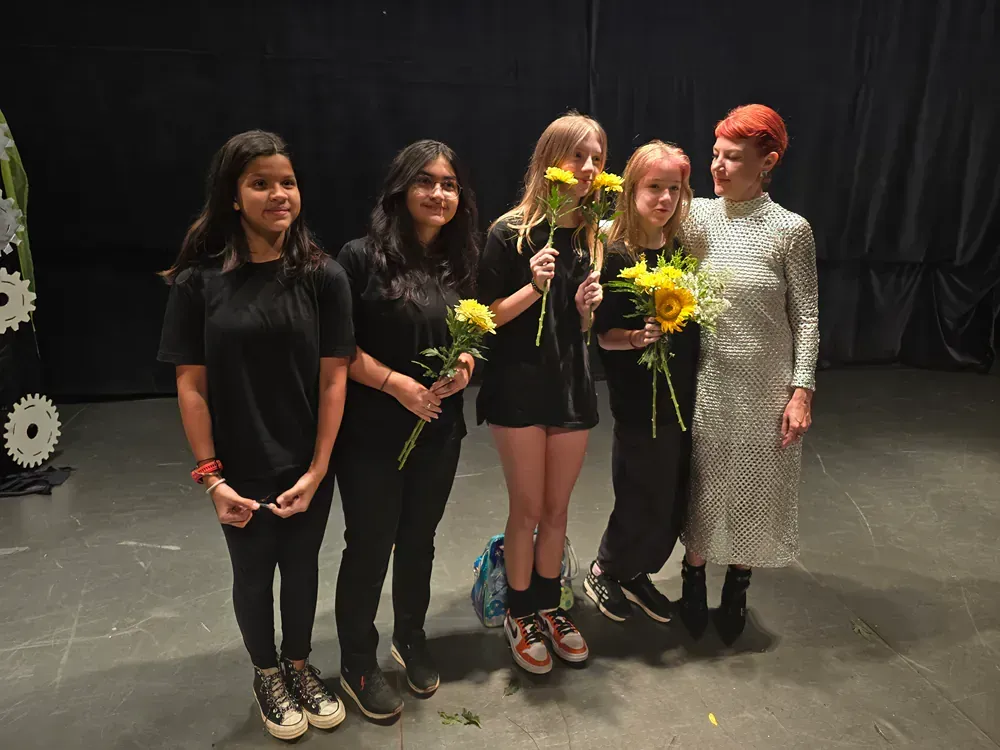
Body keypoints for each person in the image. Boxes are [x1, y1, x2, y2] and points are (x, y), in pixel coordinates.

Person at [157, 130, 355, 740]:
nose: (278, 194)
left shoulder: (325, 277)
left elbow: (332, 380)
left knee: (301, 570)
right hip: (238, 468)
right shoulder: (198, 283)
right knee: (253, 572)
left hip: (306, 464)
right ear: (234, 197)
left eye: (287, 182)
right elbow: (191, 386)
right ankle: (266, 672)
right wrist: (211, 478)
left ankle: (298, 666)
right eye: (260, 183)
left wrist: (319, 467)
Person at [333, 140, 480, 720]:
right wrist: (397, 384)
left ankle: (410, 637)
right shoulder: (359, 257)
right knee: (369, 545)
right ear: (400, 189)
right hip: (371, 431)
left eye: (448, 184)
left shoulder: (459, 260)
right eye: (426, 182)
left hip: (438, 431)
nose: (439, 194)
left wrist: (465, 368)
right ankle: (357, 661)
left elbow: (476, 332)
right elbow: (338, 349)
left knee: (419, 539)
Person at [677, 104, 819, 644]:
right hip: (708, 379)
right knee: (705, 481)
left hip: (766, 385)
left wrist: (800, 390)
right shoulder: (696, 219)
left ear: (768, 162)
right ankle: (693, 573)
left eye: (732, 158)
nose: (718, 167)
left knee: (758, 487)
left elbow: (806, 314)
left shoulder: (790, 231)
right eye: (715, 155)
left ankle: (739, 581)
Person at [477, 112, 605, 674]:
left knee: (557, 509)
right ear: (550, 160)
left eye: (598, 157)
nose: (589, 168)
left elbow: (578, 333)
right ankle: (520, 611)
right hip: (519, 389)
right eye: (578, 155)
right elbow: (485, 319)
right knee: (526, 508)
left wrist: (583, 314)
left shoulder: (592, 234)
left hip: (571, 387)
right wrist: (532, 286)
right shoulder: (510, 233)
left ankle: (550, 607)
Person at [584, 141, 700, 623]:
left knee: (673, 493)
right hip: (639, 396)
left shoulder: (680, 253)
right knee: (641, 487)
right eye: (654, 187)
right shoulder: (613, 256)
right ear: (631, 189)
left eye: (674, 189)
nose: (665, 199)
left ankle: (636, 570)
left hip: (682, 390)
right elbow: (601, 339)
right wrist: (635, 337)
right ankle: (606, 568)